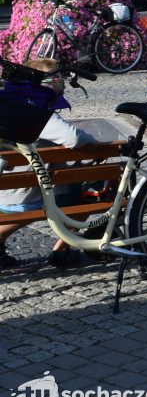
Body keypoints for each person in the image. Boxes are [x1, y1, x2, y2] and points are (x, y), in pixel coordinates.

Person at [0, 58, 94, 269]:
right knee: (93, 181)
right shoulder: (37, 113)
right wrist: (95, 145)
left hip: (4, 189)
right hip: (26, 196)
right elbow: (74, 139)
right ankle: (61, 250)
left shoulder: (8, 106)